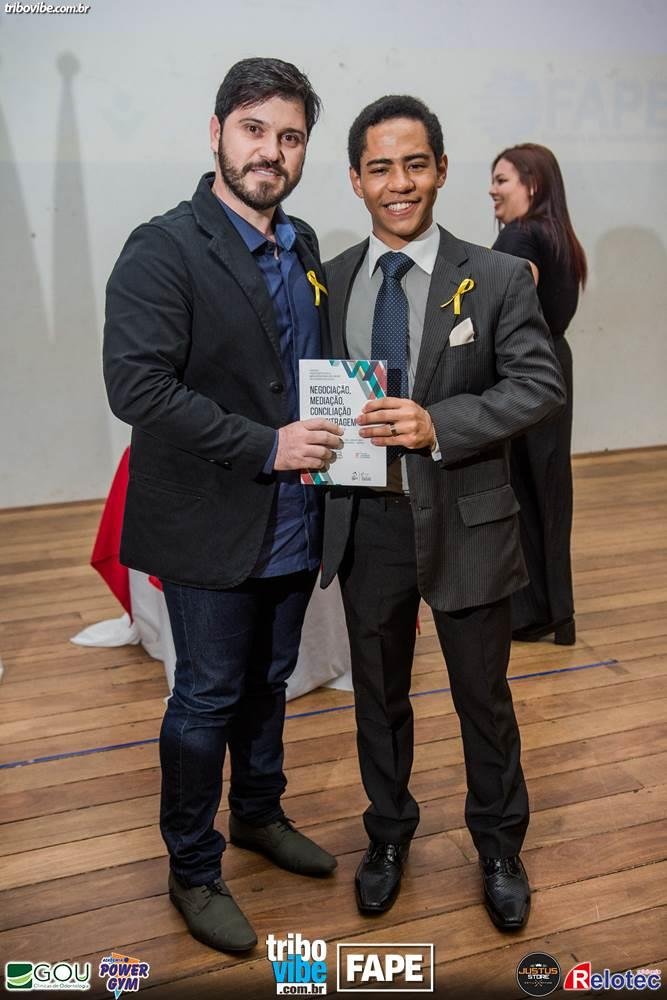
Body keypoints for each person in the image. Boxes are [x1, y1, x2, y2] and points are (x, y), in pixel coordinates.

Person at [103, 57, 343, 954]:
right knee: (205, 697)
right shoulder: (162, 247)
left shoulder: (303, 243)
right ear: (216, 134)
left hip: (293, 517)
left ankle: (258, 813)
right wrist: (265, 445)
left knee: (269, 682)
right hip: (210, 519)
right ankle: (193, 867)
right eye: (253, 130)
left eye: (290, 137)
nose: (270, 152)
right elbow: (137, 387)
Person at [320, 96, 565, 930]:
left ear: (441, 170)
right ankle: (387, 835)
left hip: (467, 520)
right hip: (366, 521)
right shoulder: (331, 280)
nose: (399, 183)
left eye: (414, 164)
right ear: (355, 180)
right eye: (380, 168)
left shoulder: (492, 276)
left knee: (481, 697)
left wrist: (438, 425)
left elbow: (537, 384)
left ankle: (497, 846)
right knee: (378, 696)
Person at [490, 144, 587, 644]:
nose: (492, 190)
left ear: (531, 184)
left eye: (501, 180)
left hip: (525, 369)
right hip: (556, 361)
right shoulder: (558, 235)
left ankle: (531, 612)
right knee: (550, 487)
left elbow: (514, 301)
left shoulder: (519, 235)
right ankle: (559, 613)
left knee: (522, 490)